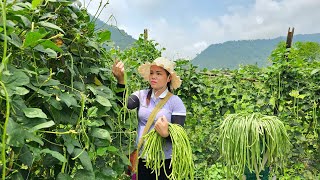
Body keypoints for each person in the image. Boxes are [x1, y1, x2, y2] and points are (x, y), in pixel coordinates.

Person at [112, 57, 187, 180]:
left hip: (165, 162)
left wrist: (166, 134)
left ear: (168, 78)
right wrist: (121, 80)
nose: (153, 76)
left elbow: (180, 136)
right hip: (142, 159)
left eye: (159, 74)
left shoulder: (175, 102)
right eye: (151, 73)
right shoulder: (140, 95)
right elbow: (123, 104)